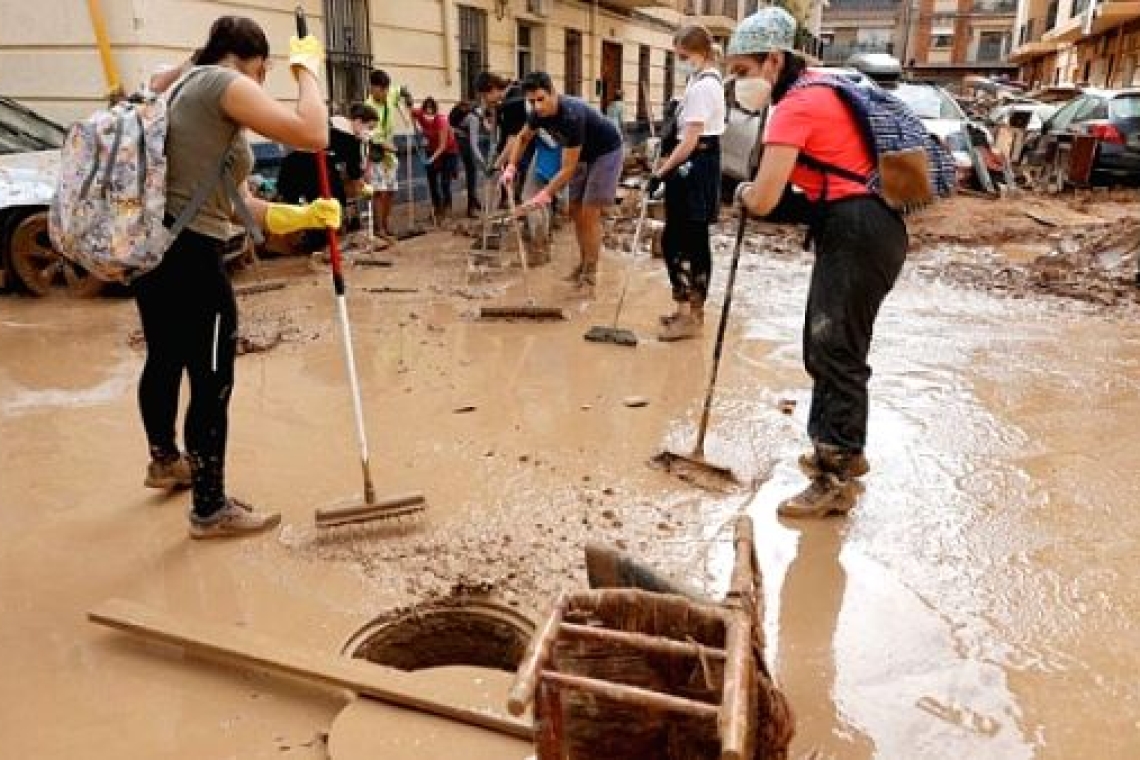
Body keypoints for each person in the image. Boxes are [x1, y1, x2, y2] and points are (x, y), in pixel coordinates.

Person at [140, 16, 340, 538]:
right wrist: (309, 73)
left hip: (156, 249)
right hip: (189, 257)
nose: (263, 83)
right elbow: (314, 134)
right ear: (251, 61)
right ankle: (210, 509)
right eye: (265, 72)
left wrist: (294, 216)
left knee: (166, 358)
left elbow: (227, 203)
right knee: (212, 379)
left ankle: (167, 461)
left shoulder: (184, 87)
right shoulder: (223, 83)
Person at [727, 7, 907, 518]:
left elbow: (763, 199)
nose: (738, 82)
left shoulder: (797, 106)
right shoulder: (821, 89)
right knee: (826, 343)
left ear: (774, 60)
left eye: (743, 70)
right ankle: (836, 448)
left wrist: (741, 191)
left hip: (857, 229)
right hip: (866, 226)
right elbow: (805, 191)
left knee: (835, 351)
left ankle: (837, 476)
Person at [506, 71, 624, 290]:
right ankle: (583, 264)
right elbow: (522, 138)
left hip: (606, 152)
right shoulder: (537, 114)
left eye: (541, 99)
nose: (537, 106)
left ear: (553, 92)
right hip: (582, 155)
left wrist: (545, 194)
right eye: (531, 101)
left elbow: (568, 169)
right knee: (575, 211)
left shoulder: (572, 114)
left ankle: (591, 272)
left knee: (589, 213)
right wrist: (511, 166)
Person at [648, 24, 725, 342]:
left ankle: (693, 315)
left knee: (690, 242)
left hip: (695, 166)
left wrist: (661, 172)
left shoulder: (705, 86)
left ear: (698, 52)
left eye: (681, 55)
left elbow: (691, 140)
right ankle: (683, 310)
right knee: (675, 240)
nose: (679, 60)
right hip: (690, 165)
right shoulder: (698, 81)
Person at [365, 69, 407, 239]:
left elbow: (401, 90)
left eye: (386, 89)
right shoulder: (367, 107)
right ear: (373, 88)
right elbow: (370, 135)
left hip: (391, 156)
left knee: (390, 190)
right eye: (380, 90)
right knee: (379, 192)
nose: (384, 93)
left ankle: (386, 223)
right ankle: (379, 228)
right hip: (376, 154)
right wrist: (389, 147)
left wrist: (407, 95)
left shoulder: (390, 94)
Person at [412, 96, 459, 221]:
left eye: (431, 108)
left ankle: (447, 210)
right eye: (426, 108)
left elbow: (443, 145)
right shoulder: (421, 115)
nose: (428, 111)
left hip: (448, 151)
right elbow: (409, 110)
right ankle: (436, 208)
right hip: (431, 150)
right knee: (432, 181)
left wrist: (431, 159)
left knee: (444, 182)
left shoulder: (441, 121)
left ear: (435, 109)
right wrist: (417, 130)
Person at [520, 128, 562, 264]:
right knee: (542, 202)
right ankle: (544, 249)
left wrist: (510, 164)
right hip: (556, 161)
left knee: (530, 199)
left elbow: (521, 139)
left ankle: (538, 250)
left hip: (545, 160)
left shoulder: (539, 116)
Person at [449, 99, 486, 216]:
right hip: (464, 144)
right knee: (472, 174)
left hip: (453, 143)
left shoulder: (460, 114)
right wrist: (483, 162)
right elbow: (474, 145)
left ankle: (473, 200)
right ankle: (471, 208)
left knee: (450, 174)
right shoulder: (474, 119)